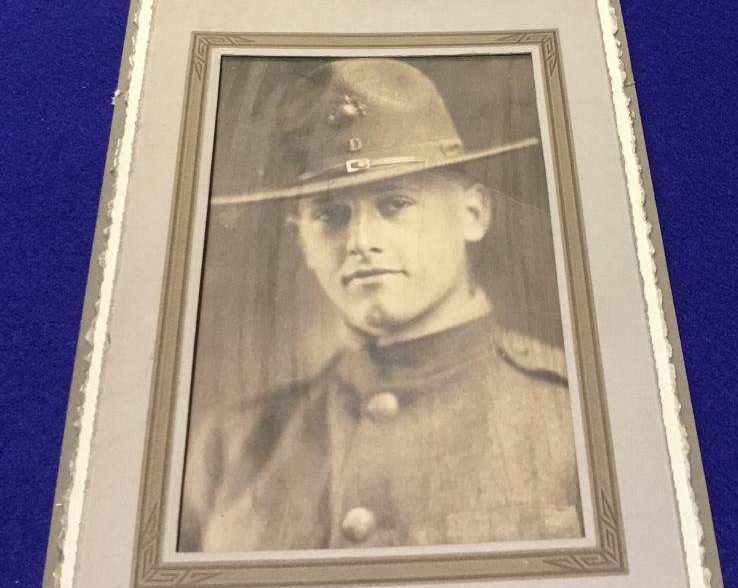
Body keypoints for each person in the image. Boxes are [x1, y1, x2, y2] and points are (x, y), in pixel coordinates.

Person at [179, 58, 582, 552]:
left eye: (395, 204)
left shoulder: (573, 414)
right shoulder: (229, 447)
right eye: (330, 214)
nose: (359, 242)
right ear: (301, 238)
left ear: (473, 213)